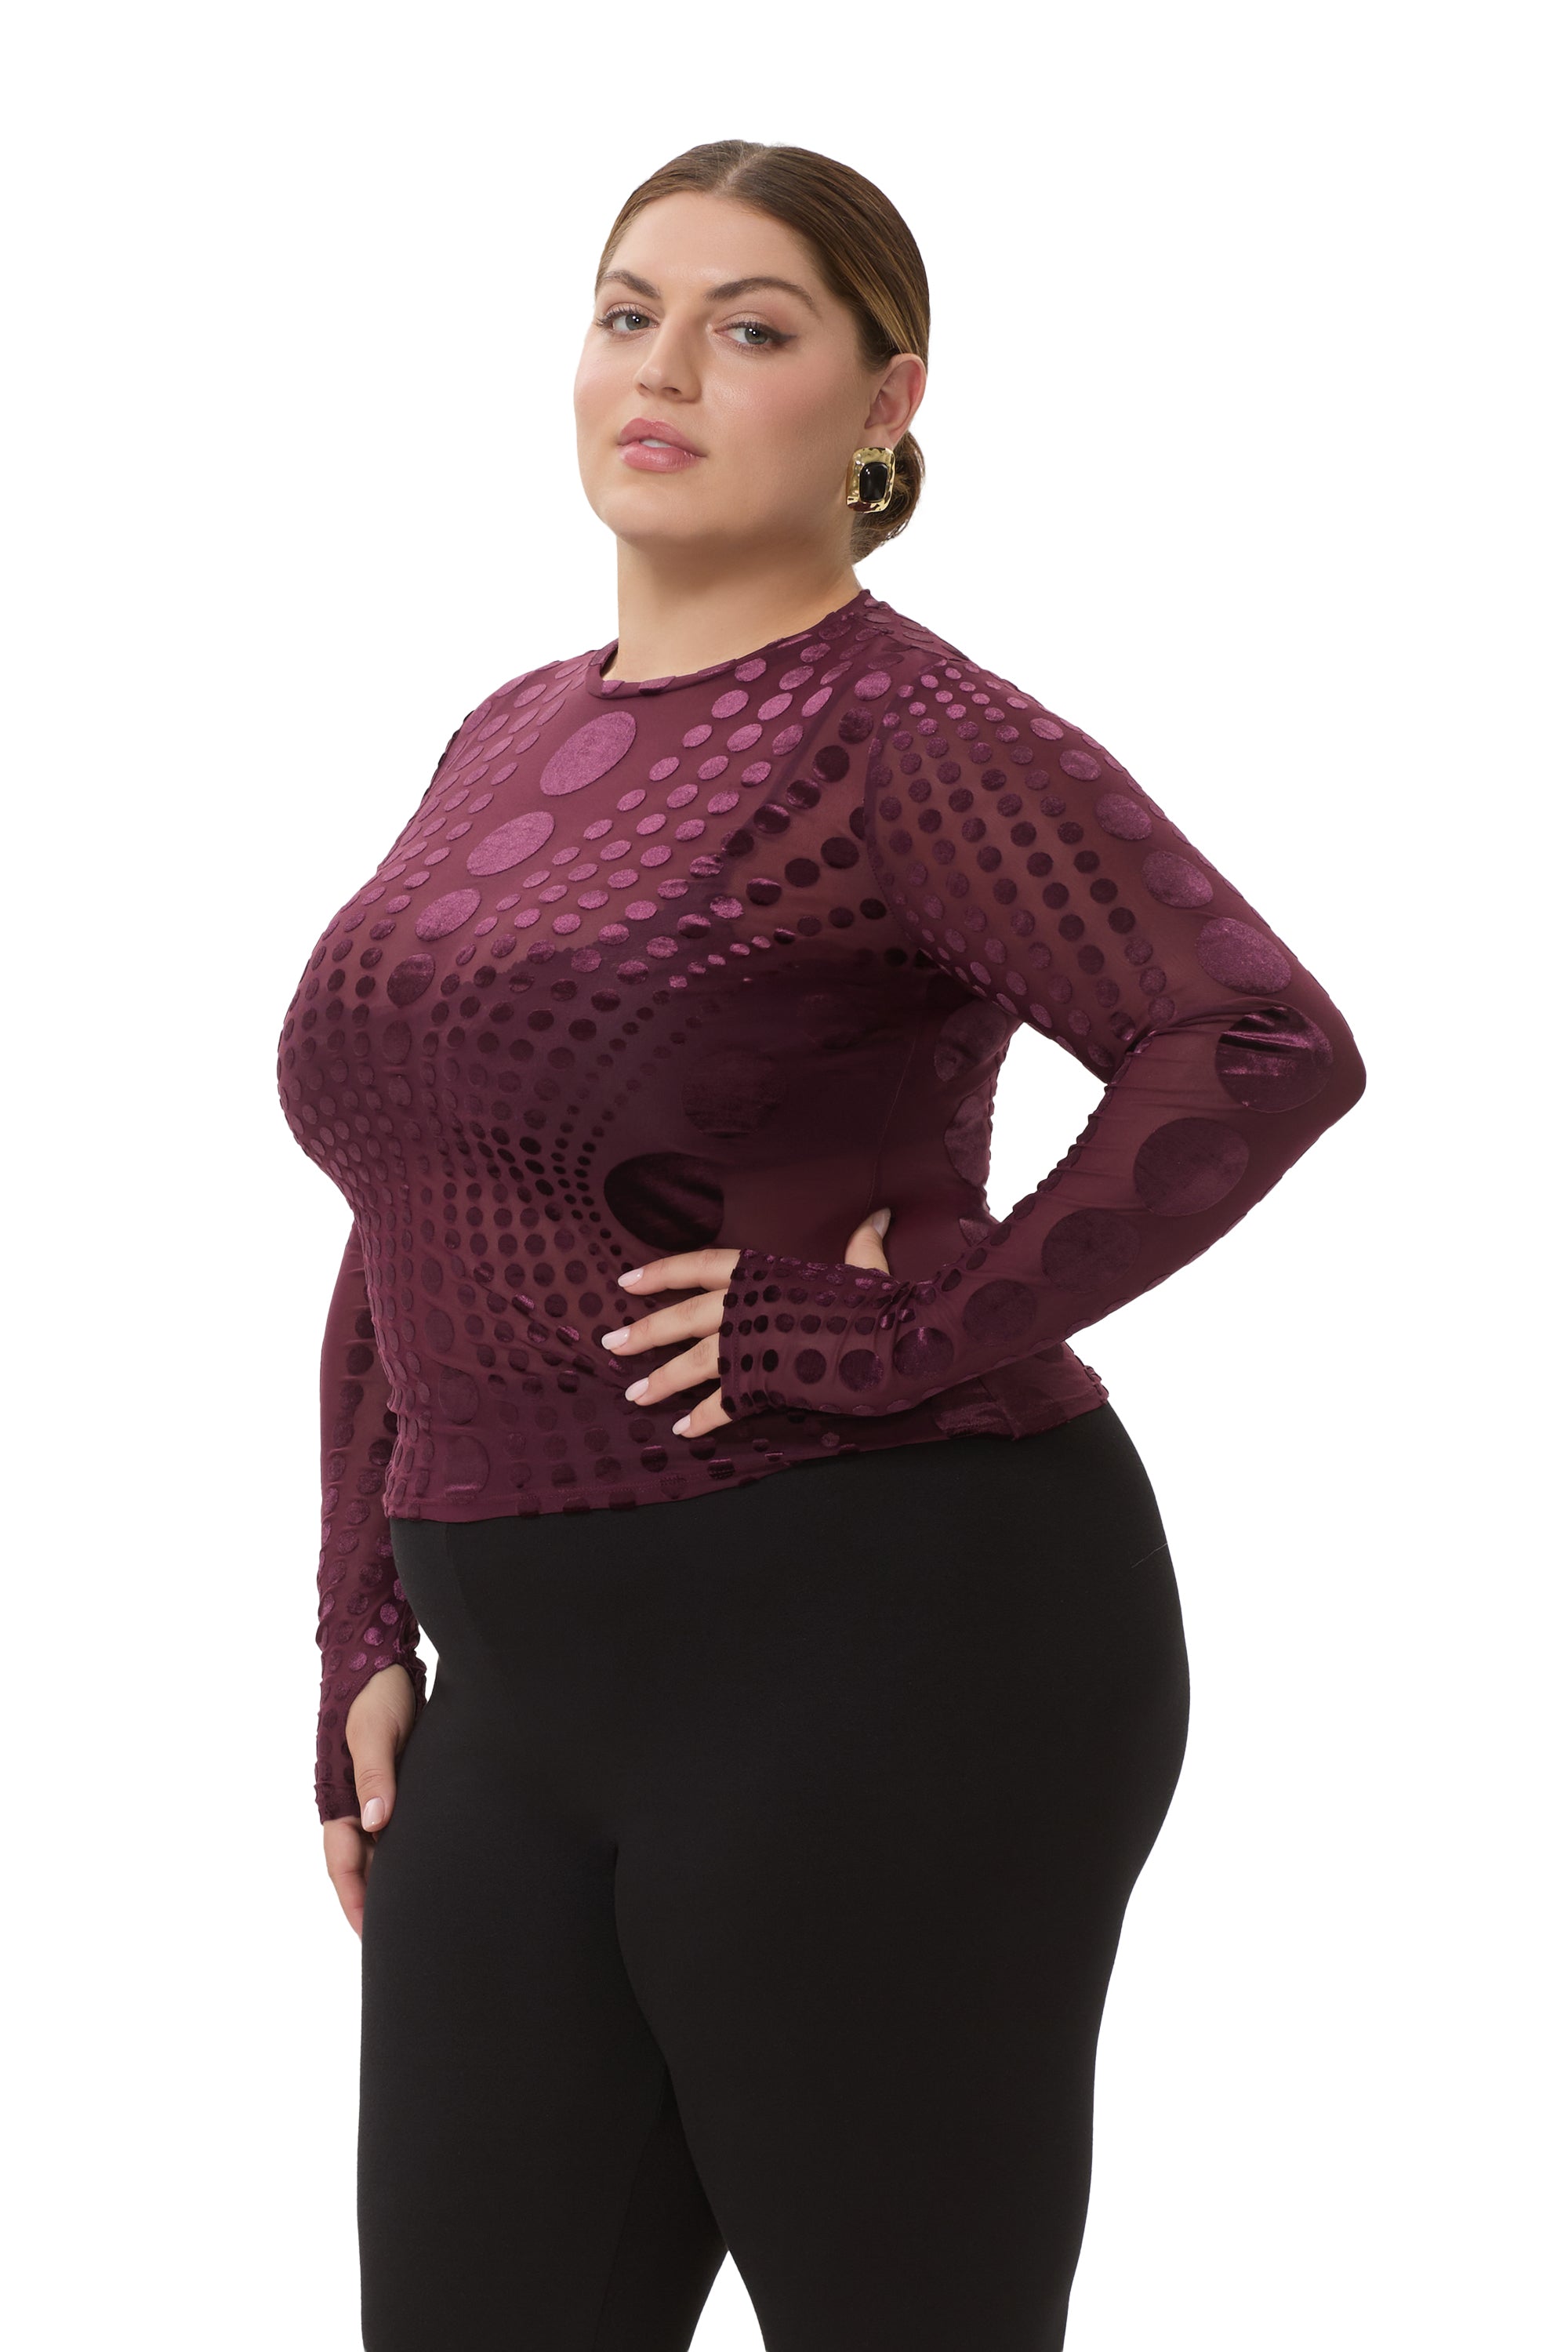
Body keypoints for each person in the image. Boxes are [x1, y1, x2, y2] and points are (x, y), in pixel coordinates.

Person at [276, 139, 1367, 2352]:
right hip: (527, 1689)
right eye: (628, 313)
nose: (661, 368)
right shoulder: (507, 735)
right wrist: (359, 1616)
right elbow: (416, 1190)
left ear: (886, 404)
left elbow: (1257, 1044)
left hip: (879, 1636)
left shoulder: (907, 736)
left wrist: (894, 1329)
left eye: (749, 327)